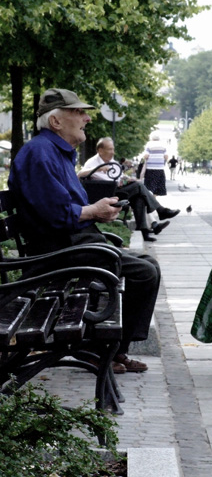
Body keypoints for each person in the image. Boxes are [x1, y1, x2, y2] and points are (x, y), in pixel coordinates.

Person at [8, 88, 163, 375]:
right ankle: (103, 350)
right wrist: (94, 212)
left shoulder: (54, 152)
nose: (87, 118)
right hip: (59, 251)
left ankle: (114, 350)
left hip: (73, 243)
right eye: (78, 112)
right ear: (56, 122)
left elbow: (62, 206)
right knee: (146, 272)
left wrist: (98, 210)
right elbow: (54, 215)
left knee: (148, 264)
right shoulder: (40, 154)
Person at [78, 137, 180, 242]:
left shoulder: (112, 161)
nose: (112, 152)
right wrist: (98, 168)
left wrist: (128, 179)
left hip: (116, 190)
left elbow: (120, 177)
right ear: (100, 150)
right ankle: (160, 210)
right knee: (138, 186)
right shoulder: (93, 161)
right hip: (105, 194)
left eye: (113, 149)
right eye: (109, 149)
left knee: (139, 197)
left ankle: (144, 232)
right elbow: (79, 174)